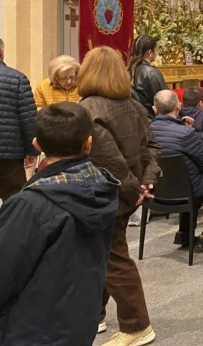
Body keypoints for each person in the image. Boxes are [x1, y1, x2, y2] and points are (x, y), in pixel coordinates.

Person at [0, 103, 119, 345]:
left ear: (37, 144)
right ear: (88, 143)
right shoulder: (103, 187)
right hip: (78, 320)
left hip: (31, 330)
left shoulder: (30, 205)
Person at [78, 46, 160, 346]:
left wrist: (135, 187)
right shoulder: (135, 105)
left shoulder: (89, 108)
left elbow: (108, 160)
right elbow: (152, 147)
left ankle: (137, 325)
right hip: (127, 192)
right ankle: (95, 313)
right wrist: (145, 182)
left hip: (105, 192)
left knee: (113, 257)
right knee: (101, 253)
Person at [151, 90, 203, 251]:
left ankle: (184, 233)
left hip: (156, 192)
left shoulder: (145, 131)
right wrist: (191, 132)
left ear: (154, 109)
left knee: (187, 179)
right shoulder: (187, 133)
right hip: (188, 189)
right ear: (178, 107)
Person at [0, 37, 38, 201]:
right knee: (14, 201)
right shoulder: (18, 79)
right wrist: (32, 150)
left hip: (11, 153)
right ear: (2, 53)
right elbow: (28, 118)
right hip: (10, 156)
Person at [128, 35, 168, 119]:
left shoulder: (129, 69)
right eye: (156, 50)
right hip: (152, 120)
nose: (157, 53)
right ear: (150, 53)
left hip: (134, 118)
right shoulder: (152, 73)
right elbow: (165, 101)